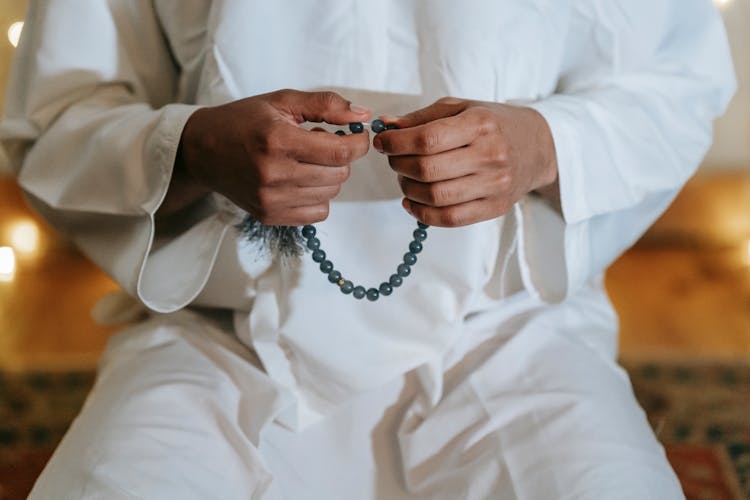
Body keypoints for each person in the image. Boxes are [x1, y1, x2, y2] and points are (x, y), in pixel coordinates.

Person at [0, 1, 735, 498]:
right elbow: (59, 113)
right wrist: (189, 149)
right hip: (219, 335)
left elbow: (676, 82)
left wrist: (545, 145)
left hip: (508, 331)